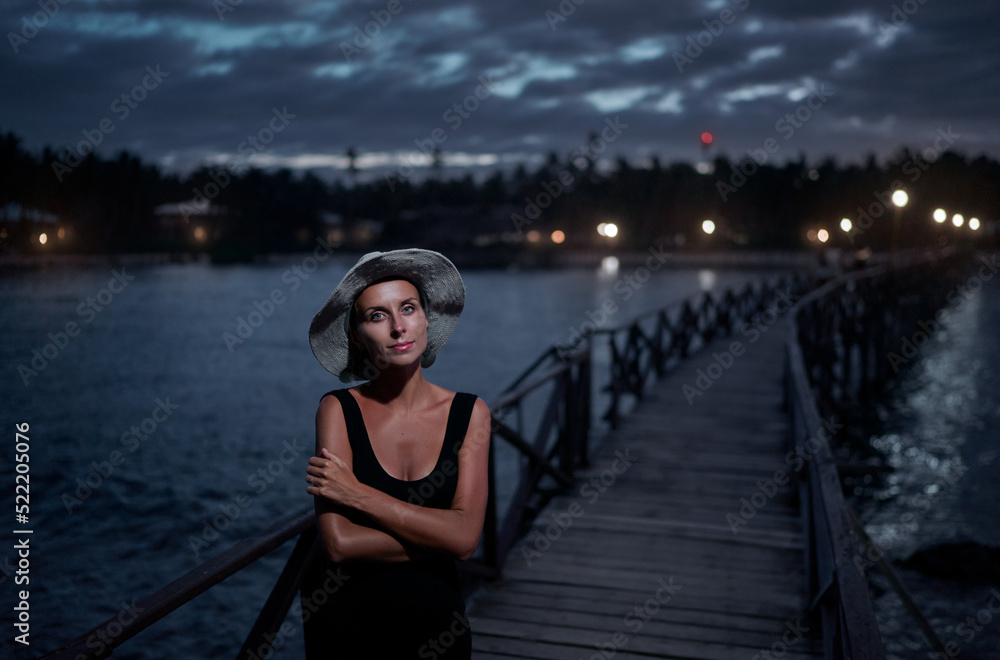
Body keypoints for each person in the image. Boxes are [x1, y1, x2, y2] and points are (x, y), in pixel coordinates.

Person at [301, 248, 490, 659]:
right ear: (356, 335)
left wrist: (359, 496)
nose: (398, 328)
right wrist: (442, 534)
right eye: (377, 316)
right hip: (347, 626)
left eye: (408, 309)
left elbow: (466, 539)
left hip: (438, 625)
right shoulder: (337, 409)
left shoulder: (470, 413)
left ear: (426, 318)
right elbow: (339, 543)